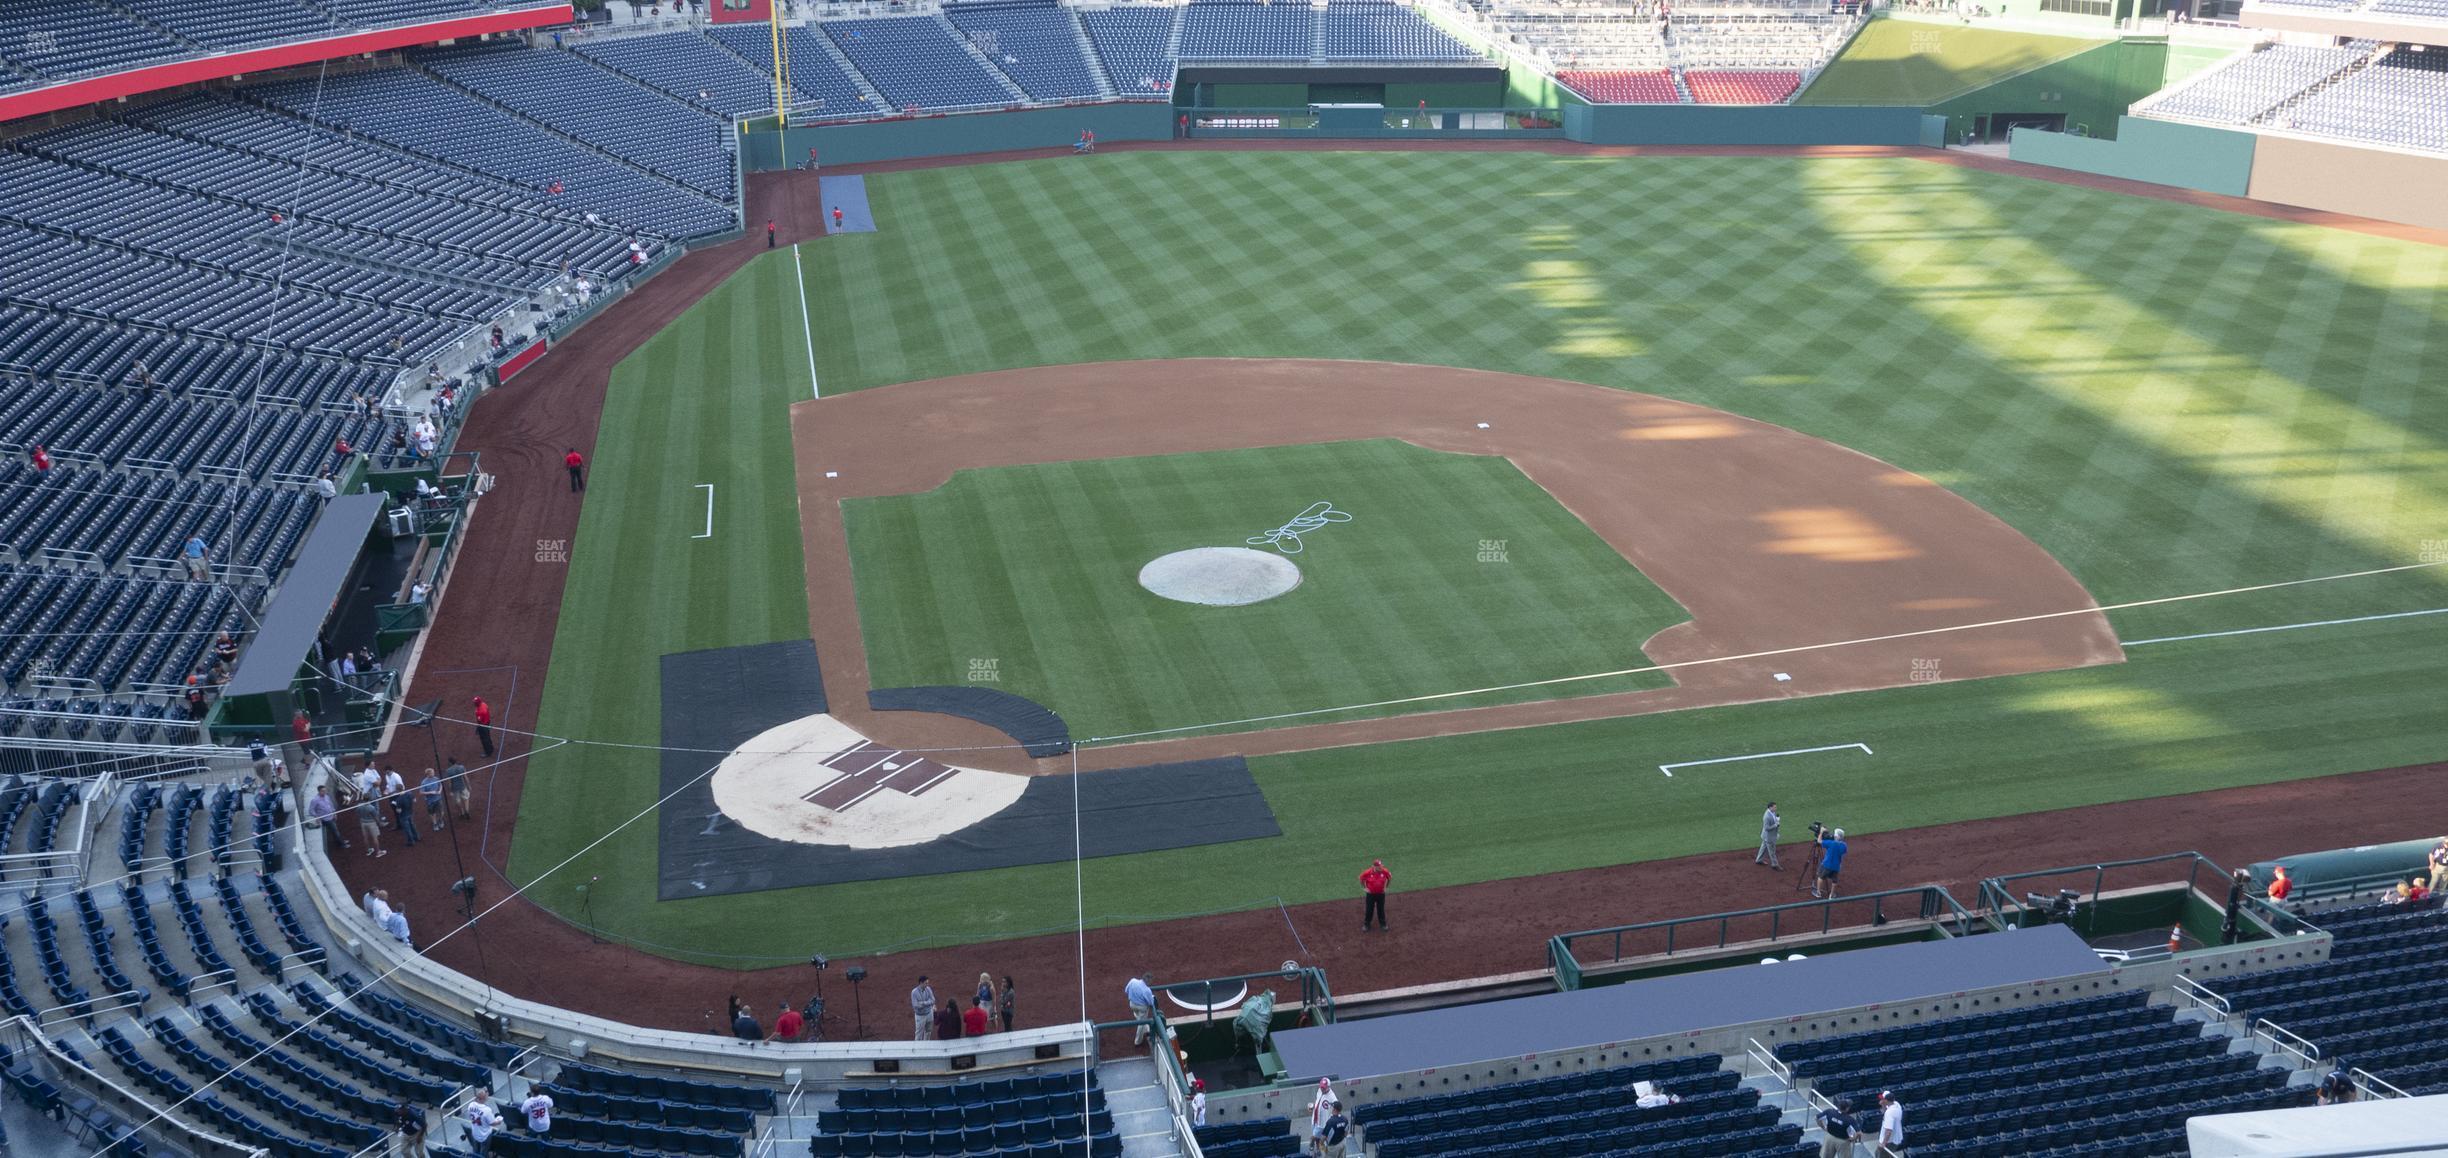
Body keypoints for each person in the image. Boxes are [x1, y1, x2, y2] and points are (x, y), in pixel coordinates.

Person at [385, 766, 420, 847]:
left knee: (407, 828)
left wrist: (396, 806)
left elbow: (398, 811)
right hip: (410, 812)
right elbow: (414, 800)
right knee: (412, 825)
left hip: (403, 815)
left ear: (397, 790)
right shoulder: (409, 793)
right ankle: (417, 837)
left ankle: (411, 841)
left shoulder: (398, 800)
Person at [1814, 827, 1849, 899]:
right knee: (1834, 881)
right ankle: (1831, 895)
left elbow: (1819, 841)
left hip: (1827, 864)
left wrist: (1821, 832)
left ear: (1837, 836)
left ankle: (1818, 892)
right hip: (1836, 866)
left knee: (1820, 877)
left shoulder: (1830, 843)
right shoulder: (1844, 845)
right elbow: (1842, 850)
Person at [310, 785, 346, 852]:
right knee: (335, 831)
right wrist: (317, 817)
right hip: (326, 819)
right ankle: (342, 844)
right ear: (319, 791)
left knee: (335, 830)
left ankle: (339, 842)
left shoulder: (327, 797)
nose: (325, 792)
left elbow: (331, 805)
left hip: (331, 816)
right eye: (323, 791)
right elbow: (311, 811)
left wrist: (334, 813)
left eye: (325, 790)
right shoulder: (315, 800)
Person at [1306, 1078, 1337, 1154]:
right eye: (1321, 1087)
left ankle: (1312, 1144)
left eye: (1324, 1087)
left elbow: (1337, 1108)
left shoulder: (1332, 1097)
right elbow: (1318, 1101)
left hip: (1323, 1123)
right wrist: (1313, 1107)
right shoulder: (1319, 1090)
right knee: (1317, 1138)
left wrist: (1332, 1118)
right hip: (1315, 1118)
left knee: (1314, 1137)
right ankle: (1318, 1149)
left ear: (1328, 1087)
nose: (1322, 1088)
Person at [1360, 858, 1391, 930]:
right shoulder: (1367, 872)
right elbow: (1361, 879)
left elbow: (1389, 878)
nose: (1381, 868)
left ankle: (1383, 924)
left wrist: (1386, 887)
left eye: (1381, 866)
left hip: (1381, 894)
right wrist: (1365, 888)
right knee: (1369, 909)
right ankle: (1366, 924)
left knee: (1381, 909)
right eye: (1379, 867)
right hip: (1371, 895)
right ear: (1374, 867)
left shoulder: (1384, 871)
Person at [1125, 974, 1155, 1045]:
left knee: (1138, 1016)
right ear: (1148, 981)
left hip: (1132, 1004)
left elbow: (1126, 990)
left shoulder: (1133, 981)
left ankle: (1146, 1027)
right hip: (1142, 1008)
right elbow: (1150, 1003)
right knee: (1141, 1023)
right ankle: (1138, 1041)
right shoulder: (1147, 990)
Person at [1876, 1090, 1904, 1155]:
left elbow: (1888, 1131)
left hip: (1889, 1141)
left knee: (1881, 1155)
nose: (1881, 1100)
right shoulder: (1897, 1104)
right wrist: (1883, 1105)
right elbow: (1884, 1111)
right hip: (1895, 1138)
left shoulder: (1890, 1113)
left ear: (1886, 1100)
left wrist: (1883, 1143)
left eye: (1882, 1099)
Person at [1756, 802, 1782, 869]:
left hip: (1766, 836)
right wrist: (1776, 825)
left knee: (1763, 847)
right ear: (1770, 807)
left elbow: (1773, 820)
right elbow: (1767, 828)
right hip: (1769, 837)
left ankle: (1759, 860)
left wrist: (1777, 820)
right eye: (1774, 807)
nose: (1776, 808)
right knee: (1772, 851)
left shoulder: (1772, 812)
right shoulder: (1767, 816)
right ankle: (1775, 865)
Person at [446, 756, 472, 820]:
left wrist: (450, 791)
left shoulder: (448, 771)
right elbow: (466, 778)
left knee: (457, 801)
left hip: (455, 789)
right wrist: (469, 786)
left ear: (450, 762)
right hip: (463, 787)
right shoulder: (461, 767)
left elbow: (449, 783)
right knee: (466, 799)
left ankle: (462, 812)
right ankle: (467, 811)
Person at [911, 975, 936, 1040]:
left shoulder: (928, 989)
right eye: (926, 983)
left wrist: (923, 1003)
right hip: (920, 1016)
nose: (927, 985)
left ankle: (926, 1046)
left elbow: (933, 1000)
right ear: (921, 983)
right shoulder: (914, 992)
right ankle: (917, 1048)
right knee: (919, 1034)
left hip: (929, 1013)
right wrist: (928, 1003)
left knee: (928, 1032)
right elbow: (916, 1005)